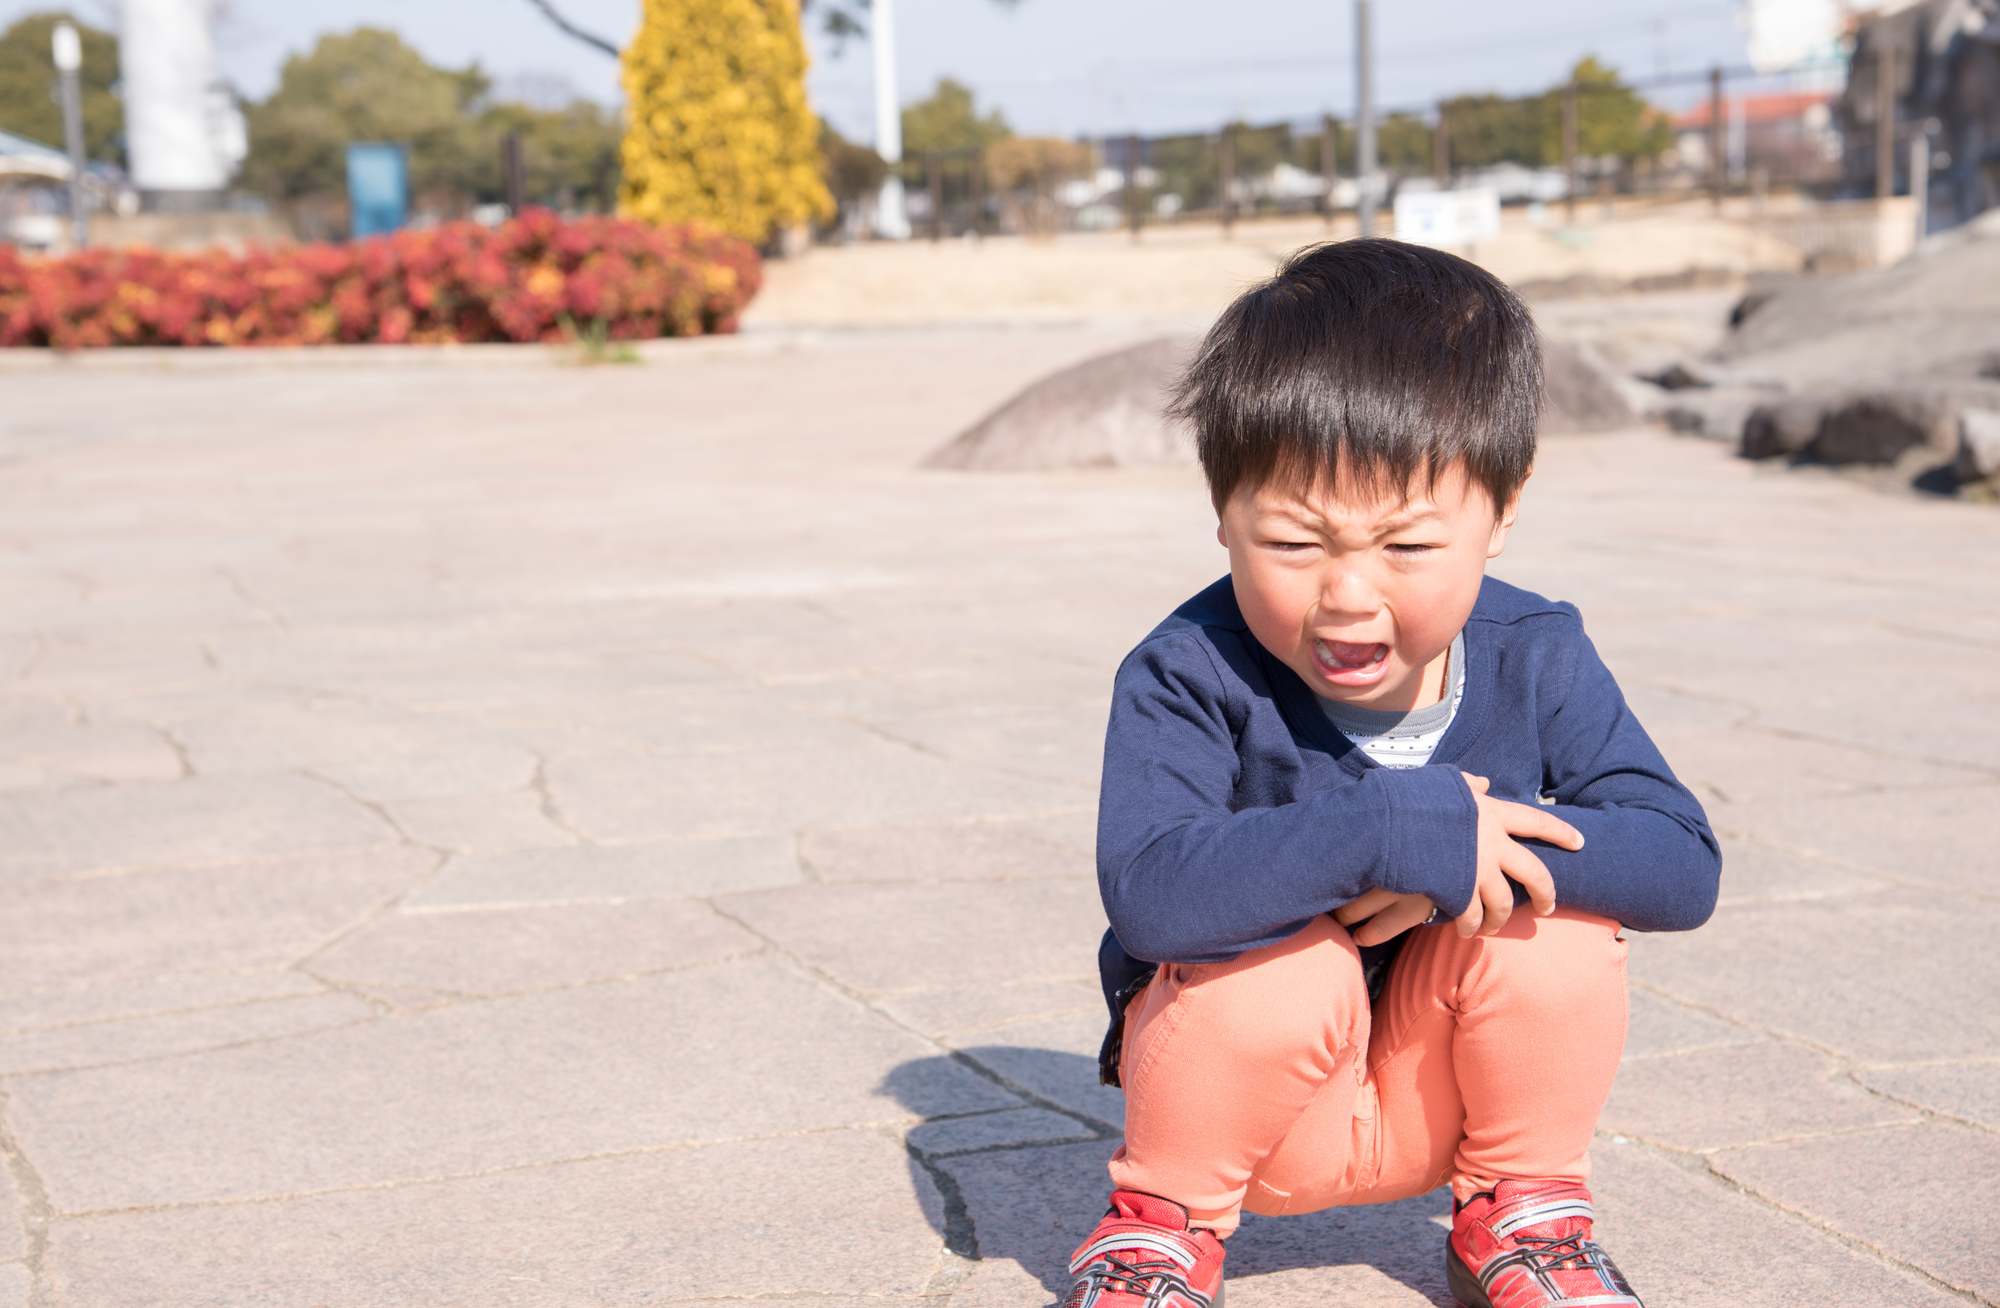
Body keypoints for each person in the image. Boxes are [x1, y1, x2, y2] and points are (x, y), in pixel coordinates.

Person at [1068, 239, 1720, 1308]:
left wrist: (1471, 838)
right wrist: (1381, 828)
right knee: (1280, 966)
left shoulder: (1534, 649)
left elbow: (1680, 866)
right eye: (1291, 542)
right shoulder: (1184, 670)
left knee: (1550, 920)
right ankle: (1158, 1228)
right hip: (1255, 1126)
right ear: (1223, 512)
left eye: (1406, 548)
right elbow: (1149, 895)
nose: (1347, 595)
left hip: (1447, 1105)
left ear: (1500, 512)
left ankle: (1524, 1214)